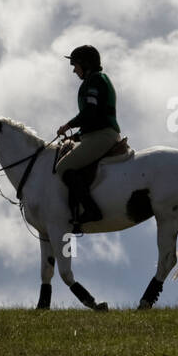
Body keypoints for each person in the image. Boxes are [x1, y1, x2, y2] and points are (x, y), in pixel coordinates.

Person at [55, 45, 121, 228]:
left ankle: (92, 210)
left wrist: (68, 125)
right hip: (96, 134)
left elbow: (91, 112)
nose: (74, 70)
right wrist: (76, 136)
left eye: (75, 65)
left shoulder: (95, 80)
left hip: (103, 135)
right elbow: (93, 119)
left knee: (64, 167)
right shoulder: (94, 79)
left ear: (86, 64)